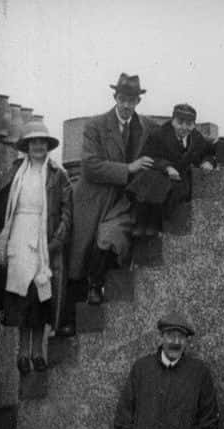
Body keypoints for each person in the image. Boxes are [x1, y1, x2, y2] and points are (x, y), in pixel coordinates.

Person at [68, 73, 157, 307]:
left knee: (110, 239)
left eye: (132, 100)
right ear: (115, 97)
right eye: (123, 99)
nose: (127, 105)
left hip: (124, 200)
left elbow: (171, 137)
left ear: (138, 101)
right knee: (79, 254)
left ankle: (98, 287)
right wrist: (129, 168)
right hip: (95, 199)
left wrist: (209, 149)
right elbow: (90, 166)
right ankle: (77, 306)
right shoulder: (95, 125)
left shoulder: (146, 125)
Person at [0, 121, 72, 374]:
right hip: (18, 235)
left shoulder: (57, 174)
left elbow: (66, 213)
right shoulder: (16, 172)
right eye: (33, 142)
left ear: (47, 146)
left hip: (43, 239)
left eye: (42, 142)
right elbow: (1, 198)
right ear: (26, 146)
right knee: (20, 296)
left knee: (40, 297)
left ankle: (38, 351)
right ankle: (22, 351)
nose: (38, 146)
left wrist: (54, 242)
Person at [129, 103, 215, 237]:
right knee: (155, 186)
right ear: (173, 121)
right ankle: (144, 225)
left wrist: (208, 162)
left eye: (189, 124)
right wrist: (167, 167)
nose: (184, 128)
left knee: (177, 195)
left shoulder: (196, 138)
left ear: (194, 125)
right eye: (180, 123)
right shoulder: (158, 135)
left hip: (180, 180)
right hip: (156, 177)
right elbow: (147, 157)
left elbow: (208, 152)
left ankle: (160, 227)